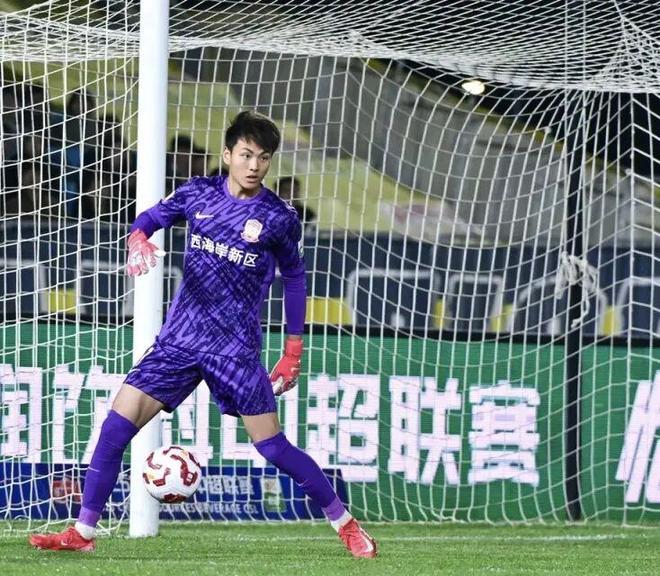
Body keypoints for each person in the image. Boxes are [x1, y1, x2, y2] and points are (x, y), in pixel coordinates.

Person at [29, 110, 377, 559]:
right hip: (180, 340)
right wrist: (137, 239)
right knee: (115, 428)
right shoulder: (198, 193)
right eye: (246, 154)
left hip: (234, 349)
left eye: (263, 158)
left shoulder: (278, 217)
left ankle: (346, 524)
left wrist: (293, 351)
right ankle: (82, 532)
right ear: (228, 154)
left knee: (272, 447)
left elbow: (294, 277)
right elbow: (149, 218)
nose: (254, 165)